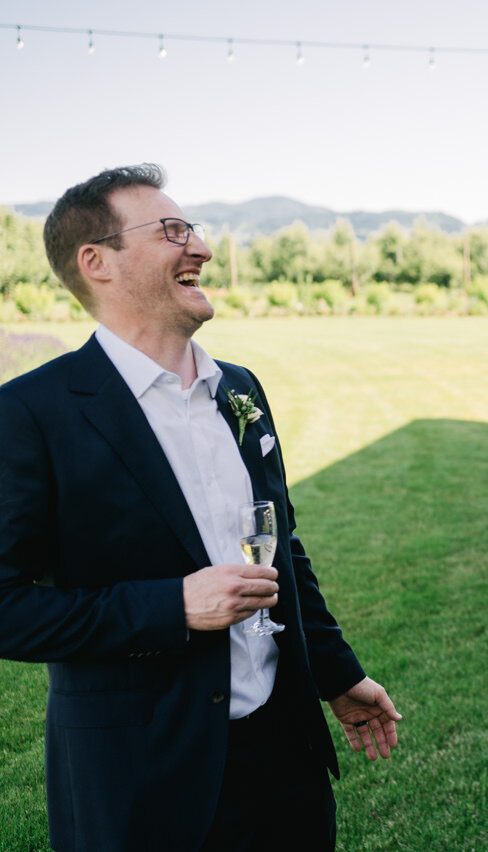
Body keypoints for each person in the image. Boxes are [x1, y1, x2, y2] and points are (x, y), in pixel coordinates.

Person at [0, 164, 401, 852]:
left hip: (286, 761)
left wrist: (338, 675)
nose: (202, 249)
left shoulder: (238, 389)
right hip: (144, 778)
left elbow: (281, 550)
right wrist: (172, 607)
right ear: (96, 261)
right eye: (172, 231)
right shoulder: (31, 414)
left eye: (195, 229)